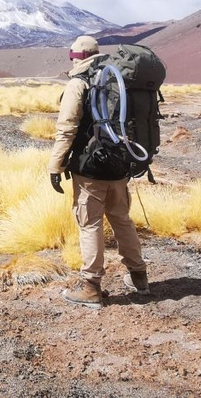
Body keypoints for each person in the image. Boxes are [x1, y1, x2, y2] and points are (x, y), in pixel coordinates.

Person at [47, 35, 149, 309]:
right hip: (119, 165)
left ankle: (90, 286)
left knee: (89, 223)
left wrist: (55, 165)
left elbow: (67, 128)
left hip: (90, 168)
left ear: (75, 57)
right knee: (121, 218)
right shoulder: (117, 80)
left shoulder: (79, 82)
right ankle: (139, 276)